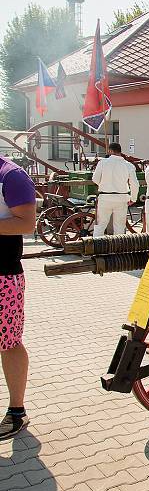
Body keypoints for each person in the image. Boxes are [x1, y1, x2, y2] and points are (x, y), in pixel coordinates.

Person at [0, 155, 36, 440]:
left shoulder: (11, 176)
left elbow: (26, 223)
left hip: (3, 275)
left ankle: (16, 411)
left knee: (9, 343)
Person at [91, 142, 139, 237]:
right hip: (121, 198)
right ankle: (118, 250)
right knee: (119, 227)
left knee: (100, 225)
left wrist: (104, 185)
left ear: (110, 151)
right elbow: (134, 184)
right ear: (120, 151)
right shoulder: (128, 165)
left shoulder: (102, 163)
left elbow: (95, 179)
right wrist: (133, 198)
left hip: (105, 197)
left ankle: (96, 249)